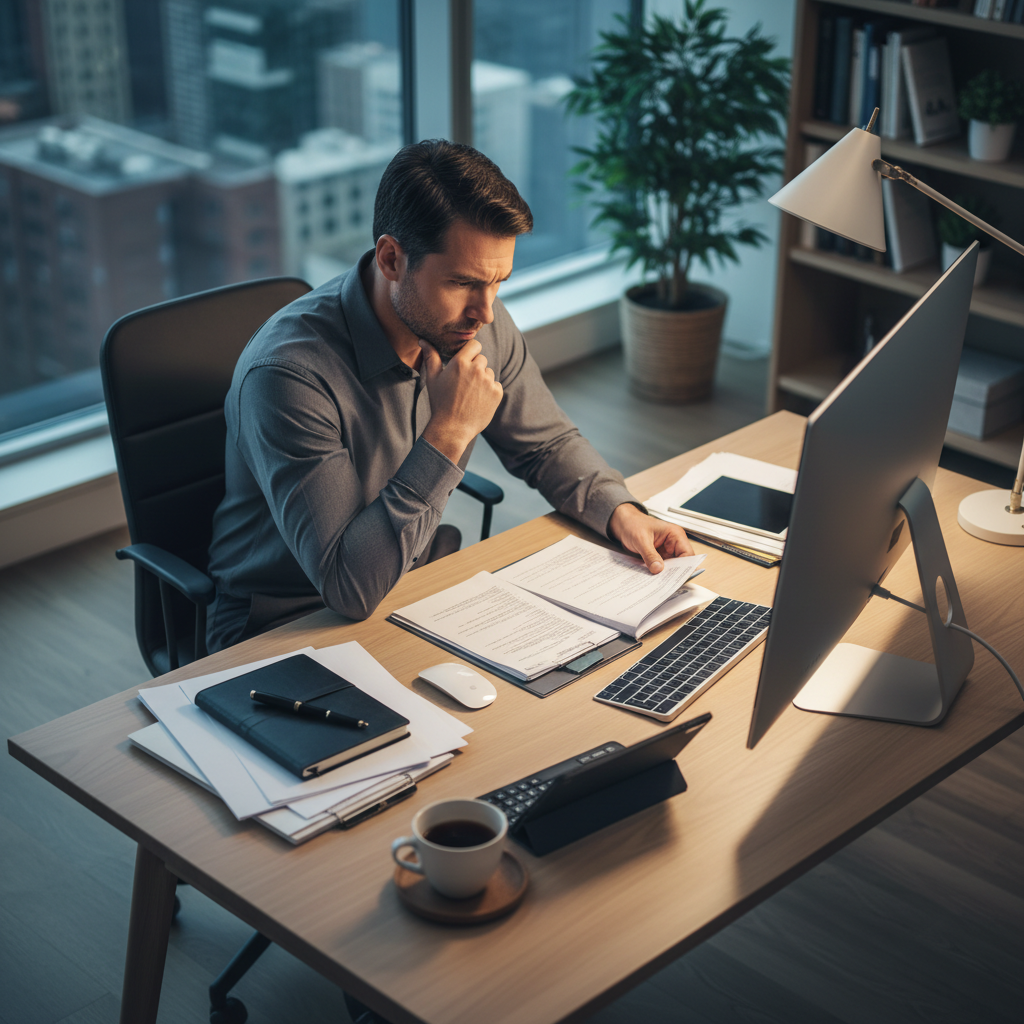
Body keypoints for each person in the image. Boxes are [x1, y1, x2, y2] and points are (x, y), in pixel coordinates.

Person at [206, 140, 692, 653]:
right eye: (463, 283)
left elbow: (545, 444)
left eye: (498, 281)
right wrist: (450, 433)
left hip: (414, 582)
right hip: (286, 625)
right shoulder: (289, 377)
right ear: (392, 258)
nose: (486, 311)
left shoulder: (471, 319)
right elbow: (348, 587)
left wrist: (622, 512)